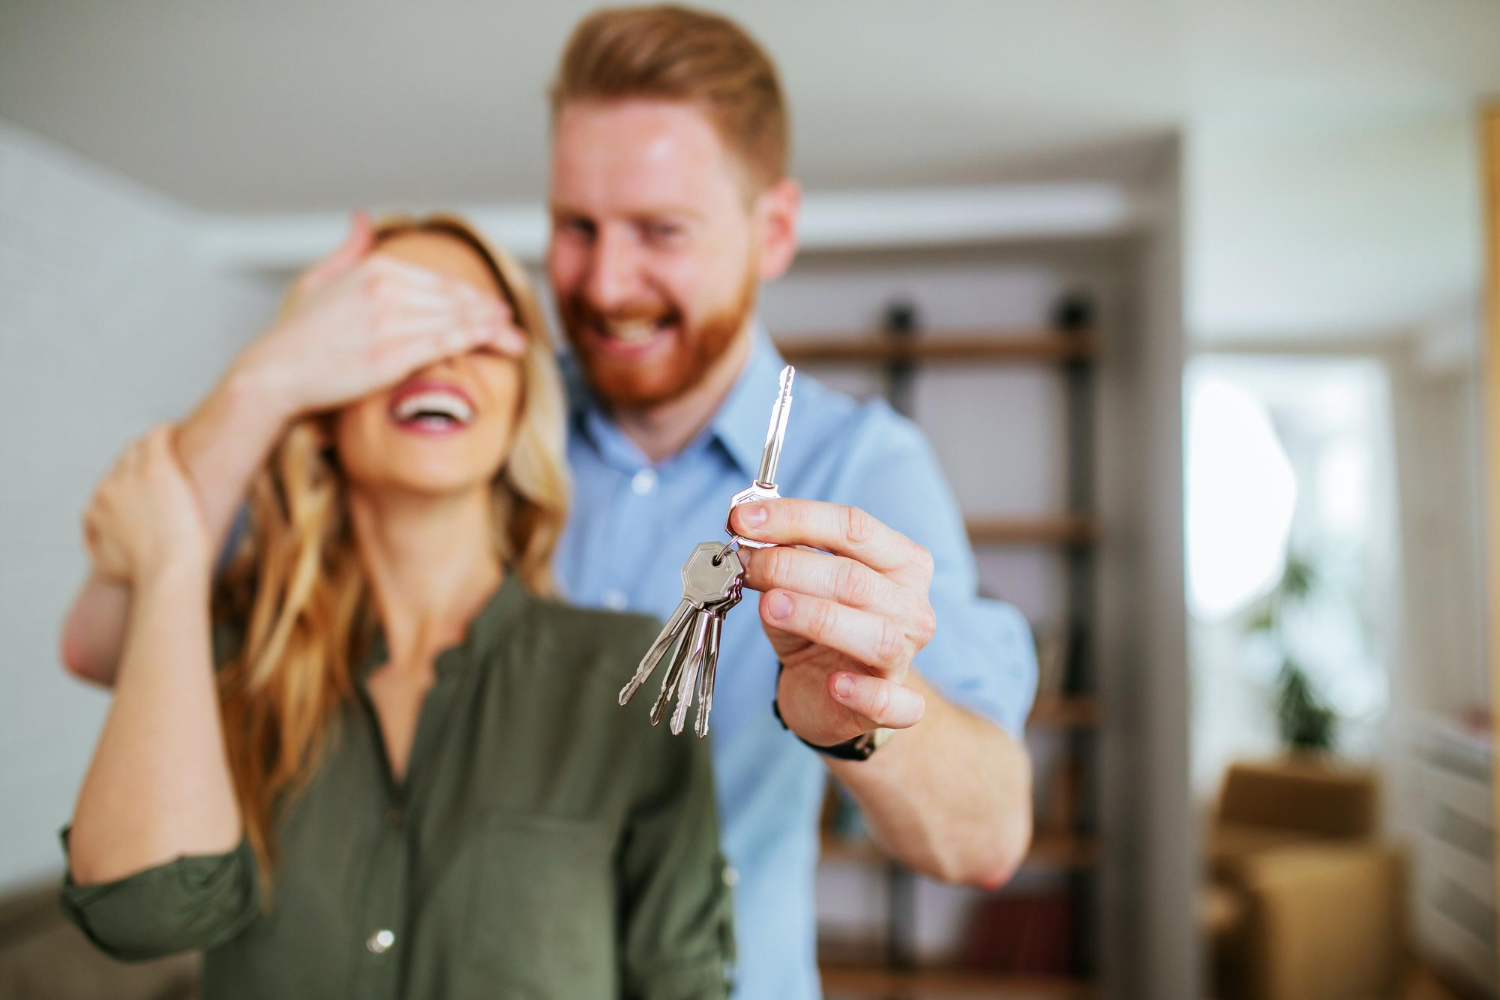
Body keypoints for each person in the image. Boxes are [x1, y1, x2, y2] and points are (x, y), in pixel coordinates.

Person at [62, 6, 1038, 997]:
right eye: (577, 227)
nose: (608, 282)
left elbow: (986, 836)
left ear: (772, 229)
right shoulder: (471, 438)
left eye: (660, 230)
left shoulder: (860, 472)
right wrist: (267, 378)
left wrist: (859, 717)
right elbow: (119, 633)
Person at [59, 216, 733, 999]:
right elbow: (145, 913)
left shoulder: (629, 671)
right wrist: (263, 386)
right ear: (323, 408)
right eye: (386, 333)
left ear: (521, 402)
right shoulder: (240, 656)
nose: (439, 357)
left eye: (477, 334)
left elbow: (682, 982)